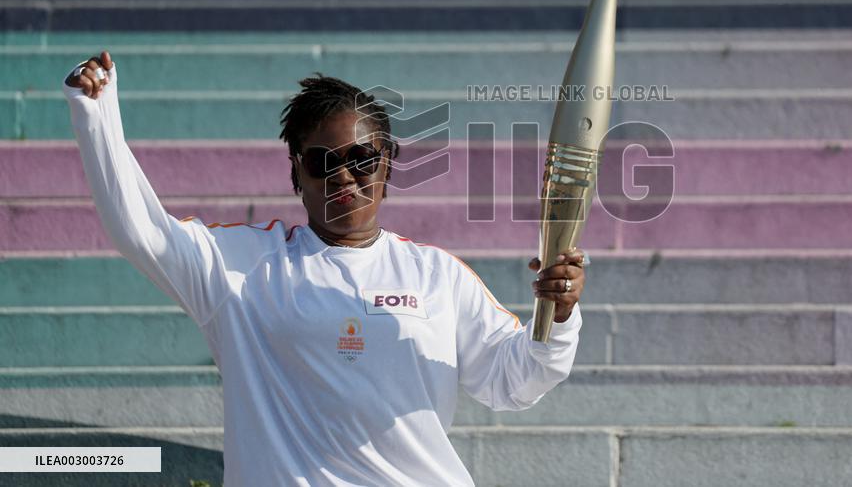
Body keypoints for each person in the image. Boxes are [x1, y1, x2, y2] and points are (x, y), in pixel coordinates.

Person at [64, 51, 587, 487]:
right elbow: (140, 230)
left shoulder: (436, 276)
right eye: (322, 162)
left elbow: (514, 380)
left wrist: (557, 317)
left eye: (361, 159)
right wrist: (96, 116)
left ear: (388, 164)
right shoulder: (241, 272)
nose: (343, 177)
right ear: (297, 174)